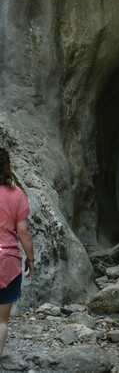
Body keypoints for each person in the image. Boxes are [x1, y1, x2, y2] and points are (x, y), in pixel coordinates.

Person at [0, 147, 34, 358]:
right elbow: (24, 230)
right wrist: (30, 258)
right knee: (2, 320)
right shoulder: (16, 194)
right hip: (8, 262)